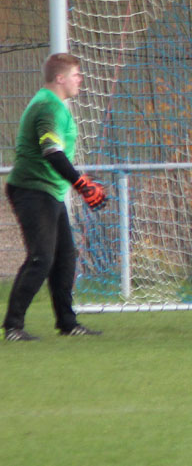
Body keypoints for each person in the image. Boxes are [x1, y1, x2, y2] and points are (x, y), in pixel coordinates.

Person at [4, 53, 106, 341]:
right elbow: (52, 152)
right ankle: (13, 327)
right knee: (41, 258)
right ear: (59, 78)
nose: (80, 79)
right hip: (33, 190)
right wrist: (82, 184)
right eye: (76, 74)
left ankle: (67, 322)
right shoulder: (48, 108)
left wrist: (76, 184)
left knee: (64, 258)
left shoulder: (53, 105)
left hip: (47, 190)